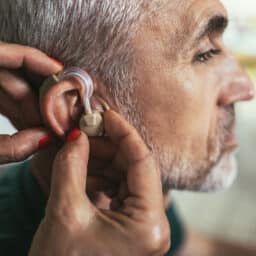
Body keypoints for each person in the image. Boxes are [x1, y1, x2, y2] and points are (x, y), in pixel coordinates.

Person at [0, 0, 256, 255]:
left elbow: (193, 249)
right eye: (205, 54)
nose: (246, 88)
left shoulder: (135, 202)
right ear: (78, 107)